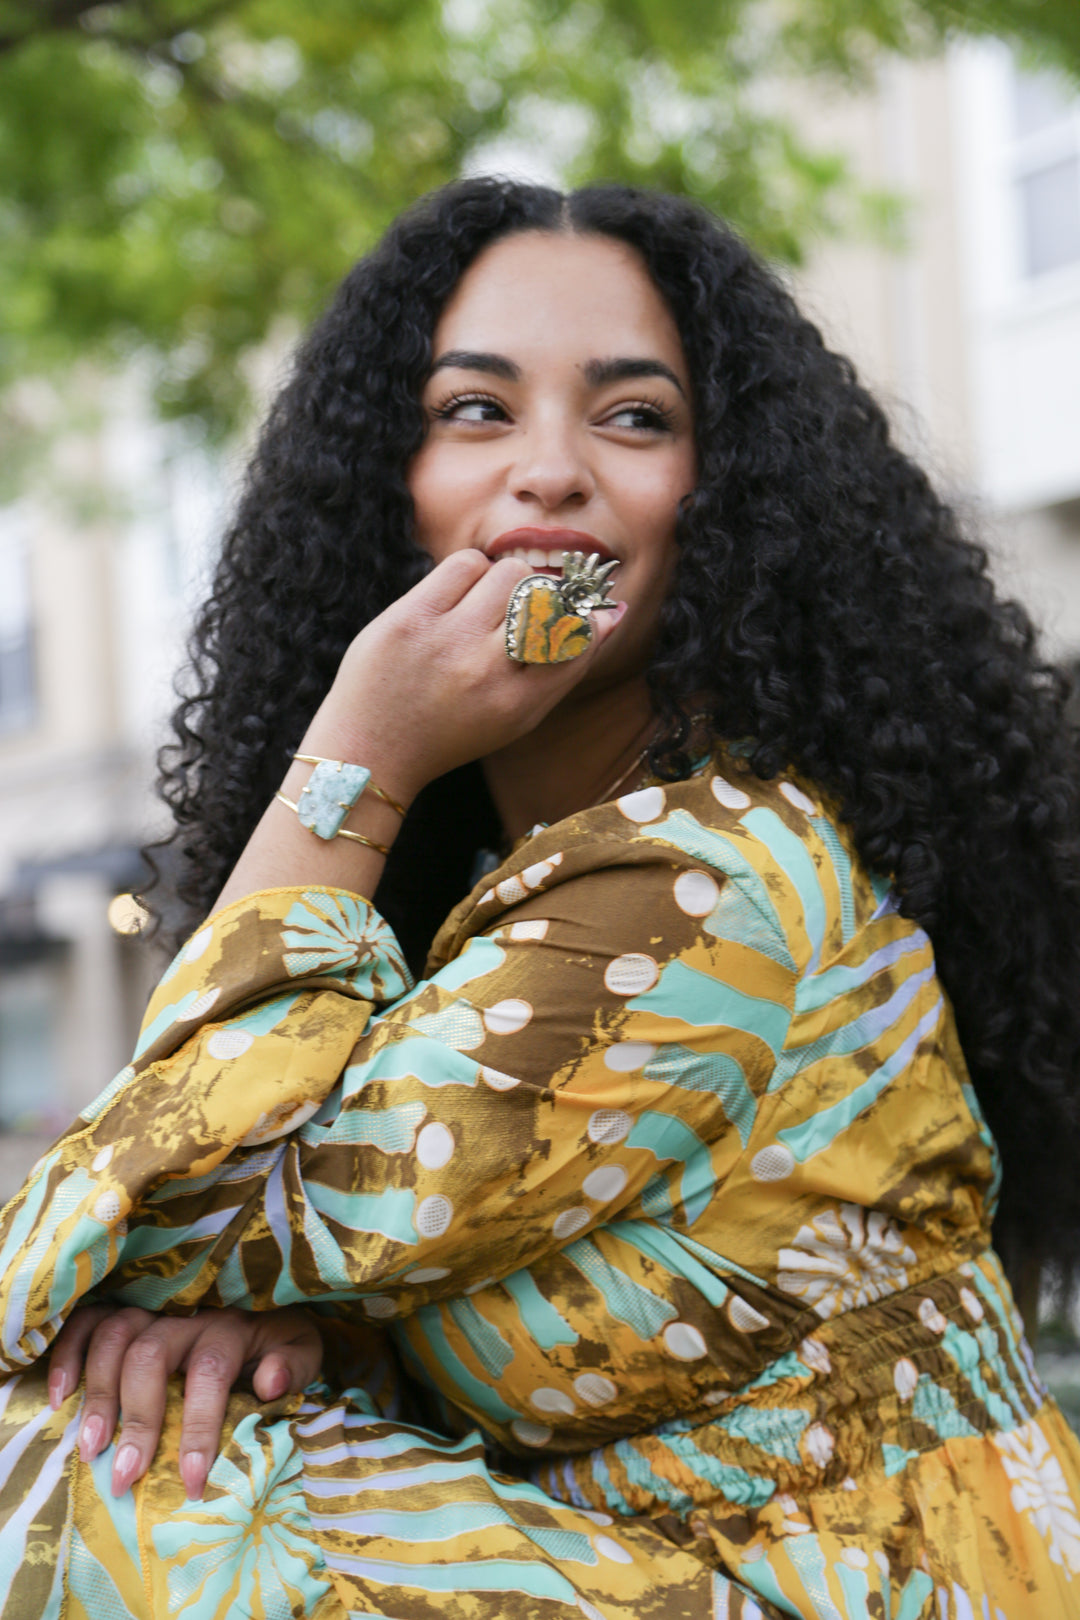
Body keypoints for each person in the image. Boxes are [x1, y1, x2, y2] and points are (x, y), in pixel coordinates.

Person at [0, 176, 1078, 1620]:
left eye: (634, 417)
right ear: (386, 488)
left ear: (729, 500)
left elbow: (133, 1218)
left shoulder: (711, 880)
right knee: (135, 1423)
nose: (552, 472)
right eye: (477, 412)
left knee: (79, 1466)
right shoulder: (510, 894)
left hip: (869, 1592)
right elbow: (204, 1241)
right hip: (684, 1572)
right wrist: (283, 1334)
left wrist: (358, 752)